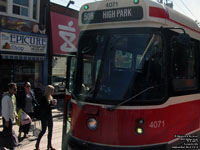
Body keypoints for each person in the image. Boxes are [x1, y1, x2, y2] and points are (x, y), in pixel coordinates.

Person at [35, 85, 57, 150]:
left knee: (50, 131)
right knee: (43, 131)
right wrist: (52, 104)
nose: (53, 92)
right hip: (44, 117)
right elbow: (45, 108)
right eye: (52, 90)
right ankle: (37, 144)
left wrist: (53, 104)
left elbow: (50, 107)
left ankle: (49, 145)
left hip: (49, 116)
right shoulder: (43, 98)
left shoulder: (50, 97)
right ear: (49, 91)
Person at [1, 82, 18, 150]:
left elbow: (14, 107)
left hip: (10, 118)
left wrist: (15, 115)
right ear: (10, 89)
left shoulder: (13, 96)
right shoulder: (6, 98)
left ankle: (4, 145)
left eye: (16, 89)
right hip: (6, 118)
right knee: (8, 133)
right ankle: (11, 146)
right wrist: (7, 120)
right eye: (14, 89)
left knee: (7, 132)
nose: (16, 90)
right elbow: (5, 110)